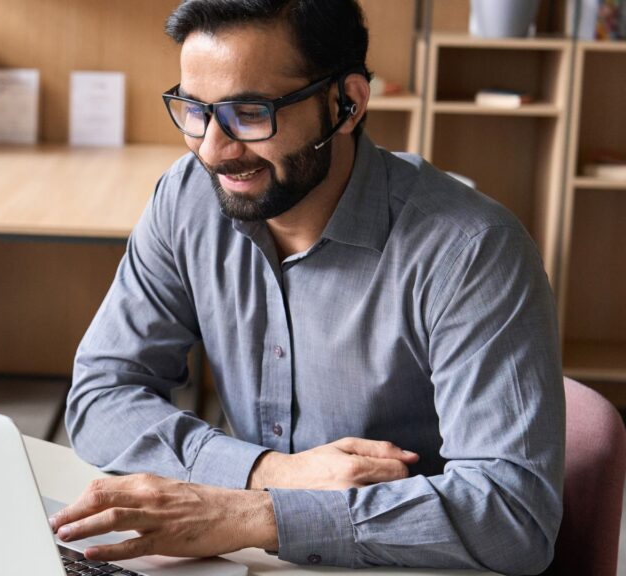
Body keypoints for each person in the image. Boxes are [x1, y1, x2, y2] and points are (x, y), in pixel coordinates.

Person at [49, 0, 565, 573]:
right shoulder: (187, 200)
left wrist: (253, 514)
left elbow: (515, 516)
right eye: (194, 110)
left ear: (347, 103)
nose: (213, 150)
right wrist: (267, 472)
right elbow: (100, 395)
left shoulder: (472, 250)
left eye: (250, 112)